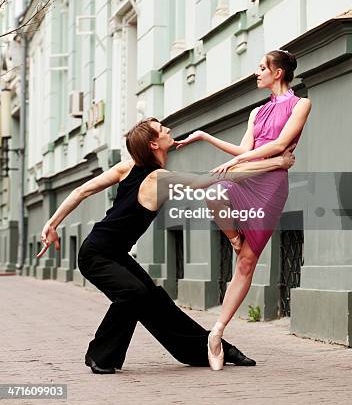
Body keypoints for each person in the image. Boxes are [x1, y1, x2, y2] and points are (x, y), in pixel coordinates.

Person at [37, 117, 295, 374]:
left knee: (156, 302)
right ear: (153, 144)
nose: (168, 129)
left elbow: (81, 191)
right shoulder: (154, 177)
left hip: (114, 254)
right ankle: (101, 356)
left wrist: (52, 223)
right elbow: (207, 180)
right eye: (162, 129)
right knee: (134, 293)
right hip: (96, 254)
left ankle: (209, 349)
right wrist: (275, 164)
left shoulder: (130, 168)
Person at [176, 50, 311, 370]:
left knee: (247, 263)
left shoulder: (300, 104)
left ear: (278, 73)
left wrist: (238, 161)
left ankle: (217, 333)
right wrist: (205, 137)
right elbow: (245, 149)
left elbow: (280, 147)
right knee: (214, 194)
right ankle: (235, 240)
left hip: (270, 186)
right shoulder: (256, 112)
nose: (257, 72)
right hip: (246, 178)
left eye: (262, 68)